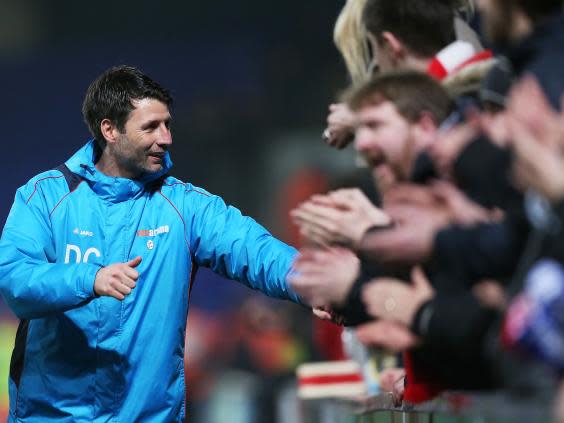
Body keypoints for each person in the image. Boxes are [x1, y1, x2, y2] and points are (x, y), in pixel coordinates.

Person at [0, 65, 303, 422]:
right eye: (150, 127)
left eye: (167, 124)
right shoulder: (44, 197)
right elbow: (16, 282)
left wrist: (319, 282)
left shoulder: (186, 207)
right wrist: (89, 279)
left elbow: (257, 250)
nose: (166, 138)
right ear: (109, 130)